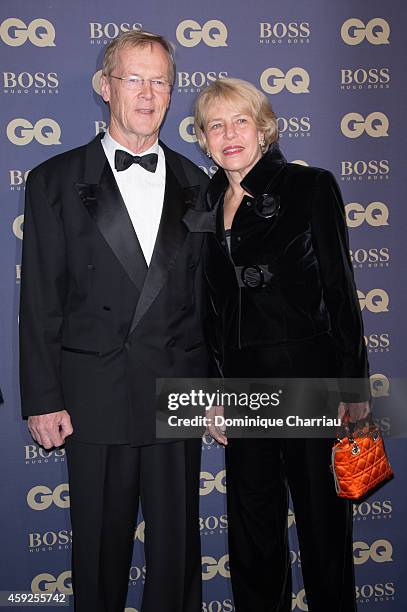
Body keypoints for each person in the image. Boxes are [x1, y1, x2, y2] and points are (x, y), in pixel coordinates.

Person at [20, 30, 212, 612]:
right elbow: (40, 302)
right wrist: (42, 398)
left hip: (174, 390)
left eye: (161, 82)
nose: (148, 94)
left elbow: (207, 302)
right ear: (106, 87)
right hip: (92, 393)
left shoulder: (197, 184)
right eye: (134, 78)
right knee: (99, 557)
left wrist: (214, 390)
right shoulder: (53, 181)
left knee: (176, 556)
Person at [194, 77, 369, 612]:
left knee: (323, 529)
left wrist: (353, 386)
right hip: (246, 386)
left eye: (240, 121)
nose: (229, 135)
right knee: (252, 533)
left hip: (311, 379)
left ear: (263, 128)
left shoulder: (310, 186)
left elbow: (341, 289)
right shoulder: (203, 199)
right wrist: (214, 391)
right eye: (216, 125)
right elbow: (210, 308)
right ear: (202, 138)